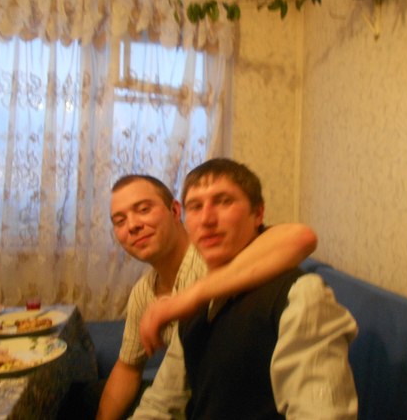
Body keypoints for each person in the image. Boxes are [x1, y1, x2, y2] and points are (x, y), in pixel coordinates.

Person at [133, 159, 358, 419]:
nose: (207, 219)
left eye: (224, 201)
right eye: (195, 206)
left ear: (258, 214)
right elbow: (161, 403)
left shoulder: (299, 294)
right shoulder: (192, 304)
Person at [96, 174, 318, 420]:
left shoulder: (220, 258)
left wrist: (189, 298)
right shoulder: (143, 291)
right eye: (120, 221)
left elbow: (299, 237)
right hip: (184, 392)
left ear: (175, 211)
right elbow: (129, 367)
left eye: (144, 209)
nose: (132, 225)